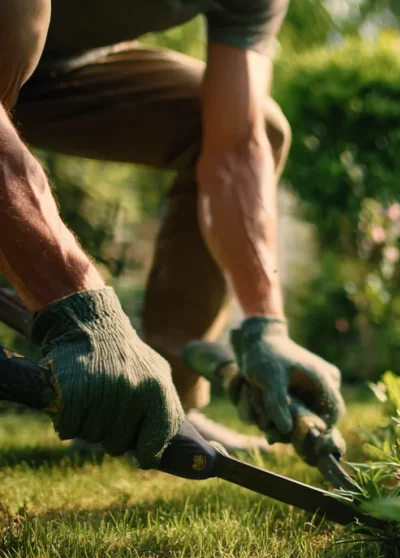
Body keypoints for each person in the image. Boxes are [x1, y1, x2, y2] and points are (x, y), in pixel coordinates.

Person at [0, 0, 345, 467]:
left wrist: (265, 322)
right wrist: (80, 306)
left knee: (256, 123)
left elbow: (235, 149)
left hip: (61, 72)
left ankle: (151, 410)